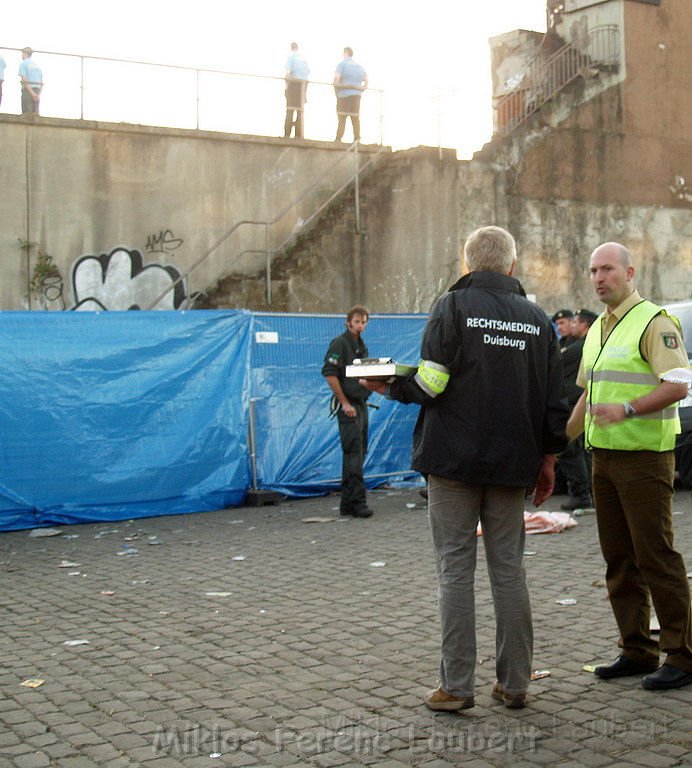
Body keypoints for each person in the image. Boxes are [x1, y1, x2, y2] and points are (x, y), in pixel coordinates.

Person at [362, 226, 569, 709]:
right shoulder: (539, 321)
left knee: (455, 571)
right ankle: (515, 683)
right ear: (512, 267)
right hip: (512, 463)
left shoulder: (452, 307)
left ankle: (456, 688)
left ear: (467, 265)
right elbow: (552, 404)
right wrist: (548, 460)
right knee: (509, 572)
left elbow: (432, 382)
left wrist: (389, 385)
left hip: (453, 461)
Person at [567, 241, 692, 690]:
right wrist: (556, 444)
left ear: (630, 272)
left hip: (644, 458)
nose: (599, 278)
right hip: (604, 458)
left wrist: (630, 410)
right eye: (593, 271)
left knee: (655, 557)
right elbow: (588, 394)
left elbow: (678, 383)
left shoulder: (654, 322)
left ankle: (683, 655)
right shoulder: (598, 328)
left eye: (607, 269)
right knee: (619, 559)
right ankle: (637, 648)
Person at [321, 305, 374, 519]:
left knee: (359, 453)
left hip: (360, 403)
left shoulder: (361, 345)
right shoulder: (340, 344)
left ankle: (347, 503)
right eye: (357, 321)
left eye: (363, 322)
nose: (360, 325)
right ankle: (358, 503)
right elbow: (330, 373)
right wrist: (344, 403)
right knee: (353, 454)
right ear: (348, 322)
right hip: (349, 405)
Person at [557, 308, 598, 510]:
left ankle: (581, 494)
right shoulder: (573, 344)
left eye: (576, 322)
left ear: (585, 325)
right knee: (580, 450)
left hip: (574, 403)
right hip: (575, 401)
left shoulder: (581, 346)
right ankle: (586, 492)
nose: (571, 325)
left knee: (570, 449)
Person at [333, 47, 367, 142]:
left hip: (343, 95)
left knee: (342, 117)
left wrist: (336, 91)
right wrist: (362, 89)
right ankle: (357, 139)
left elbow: (337, 79)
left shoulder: (342, 64)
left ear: (345, 53)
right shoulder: (359, 66)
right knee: (355, 117)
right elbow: (366, 80)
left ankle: (338, 138)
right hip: (356, 95)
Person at [284, 42, 310, 139]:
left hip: (293, 85)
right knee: (299, 111)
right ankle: (298, 135)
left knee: (290, 110)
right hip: (303, 86)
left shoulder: (291, 57)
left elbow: (288, 72)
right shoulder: (303, 59)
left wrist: (286, 88)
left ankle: (287, 134)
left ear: (291, 48)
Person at [18, 47, 43, 115]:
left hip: (27, 91)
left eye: (22, 53)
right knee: (35, 114)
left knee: (26, 114)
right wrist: (37, 95)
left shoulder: (23, 64)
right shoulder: (37, 66)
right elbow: (41, 83)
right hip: (37, 91)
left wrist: (32, 93)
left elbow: (24, 80)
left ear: (25, 53)